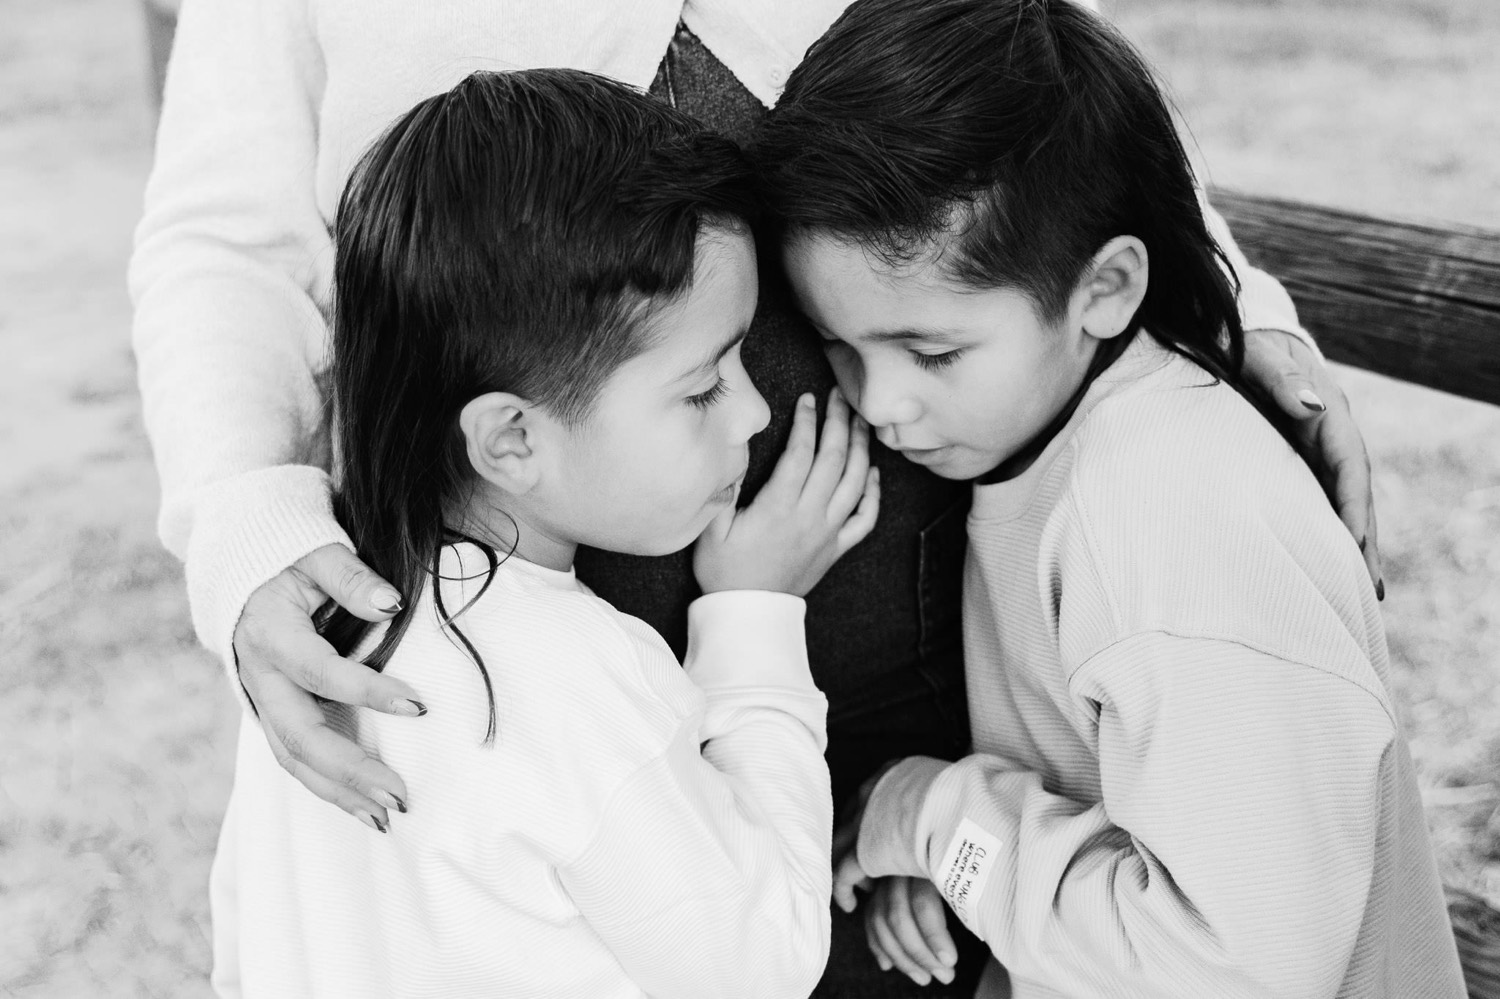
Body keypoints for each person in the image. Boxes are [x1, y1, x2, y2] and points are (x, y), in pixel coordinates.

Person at [130, 1, 1380, 994]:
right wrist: (243, 514)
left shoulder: (1166, 514)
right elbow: (225, 233)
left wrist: (1229, 304)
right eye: (707, 387)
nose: (757, 411)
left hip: (905, 714)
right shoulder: (544, 677)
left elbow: (1043, 68)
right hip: (669, 683)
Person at [752, 0, 1465, 995]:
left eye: (933, 352)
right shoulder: (1063, 448)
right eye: (840, 346)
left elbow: (1233, 970)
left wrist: (933, 820)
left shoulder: (1169, 528)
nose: (880, 402)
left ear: (1106, 287)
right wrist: (968, 877)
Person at [211, 68, 882, 998]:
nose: (755, 412)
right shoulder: (578, 679)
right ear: (512, 440)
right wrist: (752, 613)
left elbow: (247, 944)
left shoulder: (311, 651)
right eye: (703, 387)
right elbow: (764, 960)